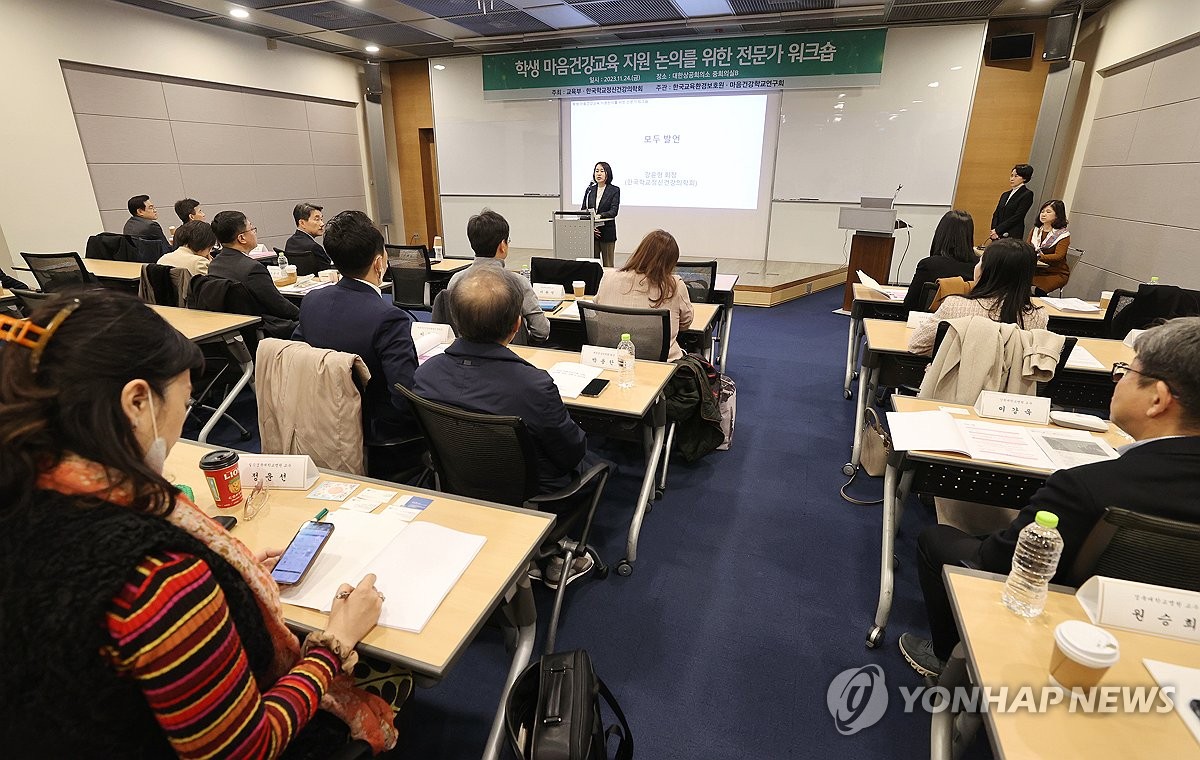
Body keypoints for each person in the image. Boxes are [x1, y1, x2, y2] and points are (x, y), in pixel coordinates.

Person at [0, 289, 397, 756]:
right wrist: (334, 644)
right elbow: (243, 748)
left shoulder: (24, 489)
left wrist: (232, 583)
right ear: (136, 402)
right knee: (392, 668)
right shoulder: (159, 577)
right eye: (185, 403)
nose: (182, 422)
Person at [900, 317, 1200, 678]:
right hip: (1180, 653)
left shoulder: (1085, 486)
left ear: (1158, 399)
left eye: (1127, 371)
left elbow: (996, 564)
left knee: (937, 539)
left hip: (1077, 642)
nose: (1118, 381)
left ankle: (951, 660)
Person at [414, 267, 599, 586]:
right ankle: (553, 554)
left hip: (458, 483)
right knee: (597, 465)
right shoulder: (534, 385)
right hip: (532, 492)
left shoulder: (425, 375)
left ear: (454, 321)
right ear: (516, 325)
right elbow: (570, 453)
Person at [294, 210, 417, 443]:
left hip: (320, 418)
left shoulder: (311, 301)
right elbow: (404, 398)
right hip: (371, 431)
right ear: (379, 263)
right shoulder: (389, 318)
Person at [908, 238, 1047, 356]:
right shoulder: (1038, 317)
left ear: (987, 271)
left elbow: (917, 345)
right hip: (1008, 388)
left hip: (960, 385)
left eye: (981, 261)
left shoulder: (955, 306)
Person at [445, 208, 549, 342]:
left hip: (464, 356)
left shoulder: (456, 280)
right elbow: (542, 331)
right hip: (510, 355)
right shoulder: (518, 283)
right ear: (502, 246)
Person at [595, 229, 694, 361]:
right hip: (662, 365)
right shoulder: (674, 285)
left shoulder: (608, 277)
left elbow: (597, 311)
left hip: (612, 359)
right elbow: (686, 323)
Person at [208, 210, 300, 338]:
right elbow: (279, 306)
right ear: (241, 238)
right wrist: (305, 314)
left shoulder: (214, 264)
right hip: (266, 329)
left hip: (236, 330)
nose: (255, 232)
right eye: (252, 228)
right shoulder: (253, 269)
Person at [902, 210, 977, 312]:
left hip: (926, 323)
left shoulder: (929, 265)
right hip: (964, 325)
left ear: (940, 234)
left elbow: (909, 305)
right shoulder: (980, 267)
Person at [582, 161, 620, 267]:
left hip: (607, 233)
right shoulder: (590, 190)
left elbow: (614, 211)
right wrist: (590, 227)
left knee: (608, 265)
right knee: (593, 266)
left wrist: (599, 216)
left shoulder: (614, 190)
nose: (598, 173)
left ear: (608, 173)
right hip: (592, 233)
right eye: (596, 171)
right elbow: (583, 210)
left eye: (602, 171)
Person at [1030, 199, 1071, 294]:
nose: (1043, 214)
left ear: (1057, 215)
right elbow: (1027, 248)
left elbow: (1059, 256)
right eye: (1042, 211)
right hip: (1037, 270)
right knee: (1017, 282)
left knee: (1040, 289)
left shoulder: (1063, 235)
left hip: (1056, 273)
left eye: (1048, 212)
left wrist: (1039, 257)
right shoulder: (1036, 231)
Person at [988, 164, 1034, 241]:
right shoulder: (1005, 194)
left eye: (1016, 176)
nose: (1012, 179)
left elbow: (1018, 216)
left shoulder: (1027, 194)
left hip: (1012, 233)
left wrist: (998, 230)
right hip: (997, 234)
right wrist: (994, 230)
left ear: (1024, 178)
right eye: (1011, 175)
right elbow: (996, 213)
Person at [285, 202, 333, 272]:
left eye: (321, 219)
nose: (322, 224)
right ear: (302, 223)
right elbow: (328, 271)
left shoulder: (290, 242)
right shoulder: (314, 247)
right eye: (317, 219)